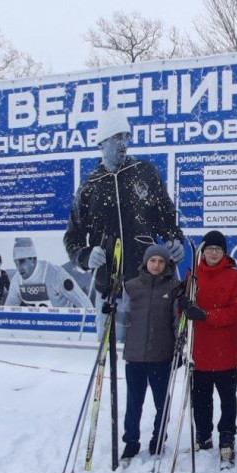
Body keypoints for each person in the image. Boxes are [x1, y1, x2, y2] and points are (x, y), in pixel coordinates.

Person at [63, 110, 184, 340]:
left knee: (149, 349)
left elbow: (167, 219)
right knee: (111, 354)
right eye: (116, 137)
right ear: (102, 143)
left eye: (126, 137)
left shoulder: (145, 172)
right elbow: (73, 237)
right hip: (109, 287)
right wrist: (85, 255)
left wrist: (174, 239)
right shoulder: (90, 185)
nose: (123, 144)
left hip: (148, 282)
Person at [182, 230, 237, 469]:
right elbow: (185, 307)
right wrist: (183, 305)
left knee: (227, 399)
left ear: (224, 252)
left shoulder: (233, 275)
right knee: (200, 398)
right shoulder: (193, 273)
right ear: (203, 251)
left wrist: (207, 315)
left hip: (224, 349)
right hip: (198, 350)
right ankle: (203, 435)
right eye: (209, 249)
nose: (213, 253)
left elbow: (236, 309)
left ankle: (227, 438)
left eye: (218, 249)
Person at [120, 244, 182, 461]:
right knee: (134, 402)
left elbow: (177, 322)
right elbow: (123, 316)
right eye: (153, 260)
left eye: (161, 262)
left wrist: (179, 349)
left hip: (161, 355)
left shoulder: (174, 287)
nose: (156, 265)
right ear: (146, 262)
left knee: (161, 402)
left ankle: (158, 439)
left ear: (167, 265)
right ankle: (131, 441)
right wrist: (112, 312)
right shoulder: (131, 286)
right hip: (135, 355)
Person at [5, 238, 91, 308]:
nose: (19, 268)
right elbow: (7, 311)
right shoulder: (17, 280)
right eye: (16, 263)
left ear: (34, 260)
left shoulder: (55, 274)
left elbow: (84, 302)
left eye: (22, 261)